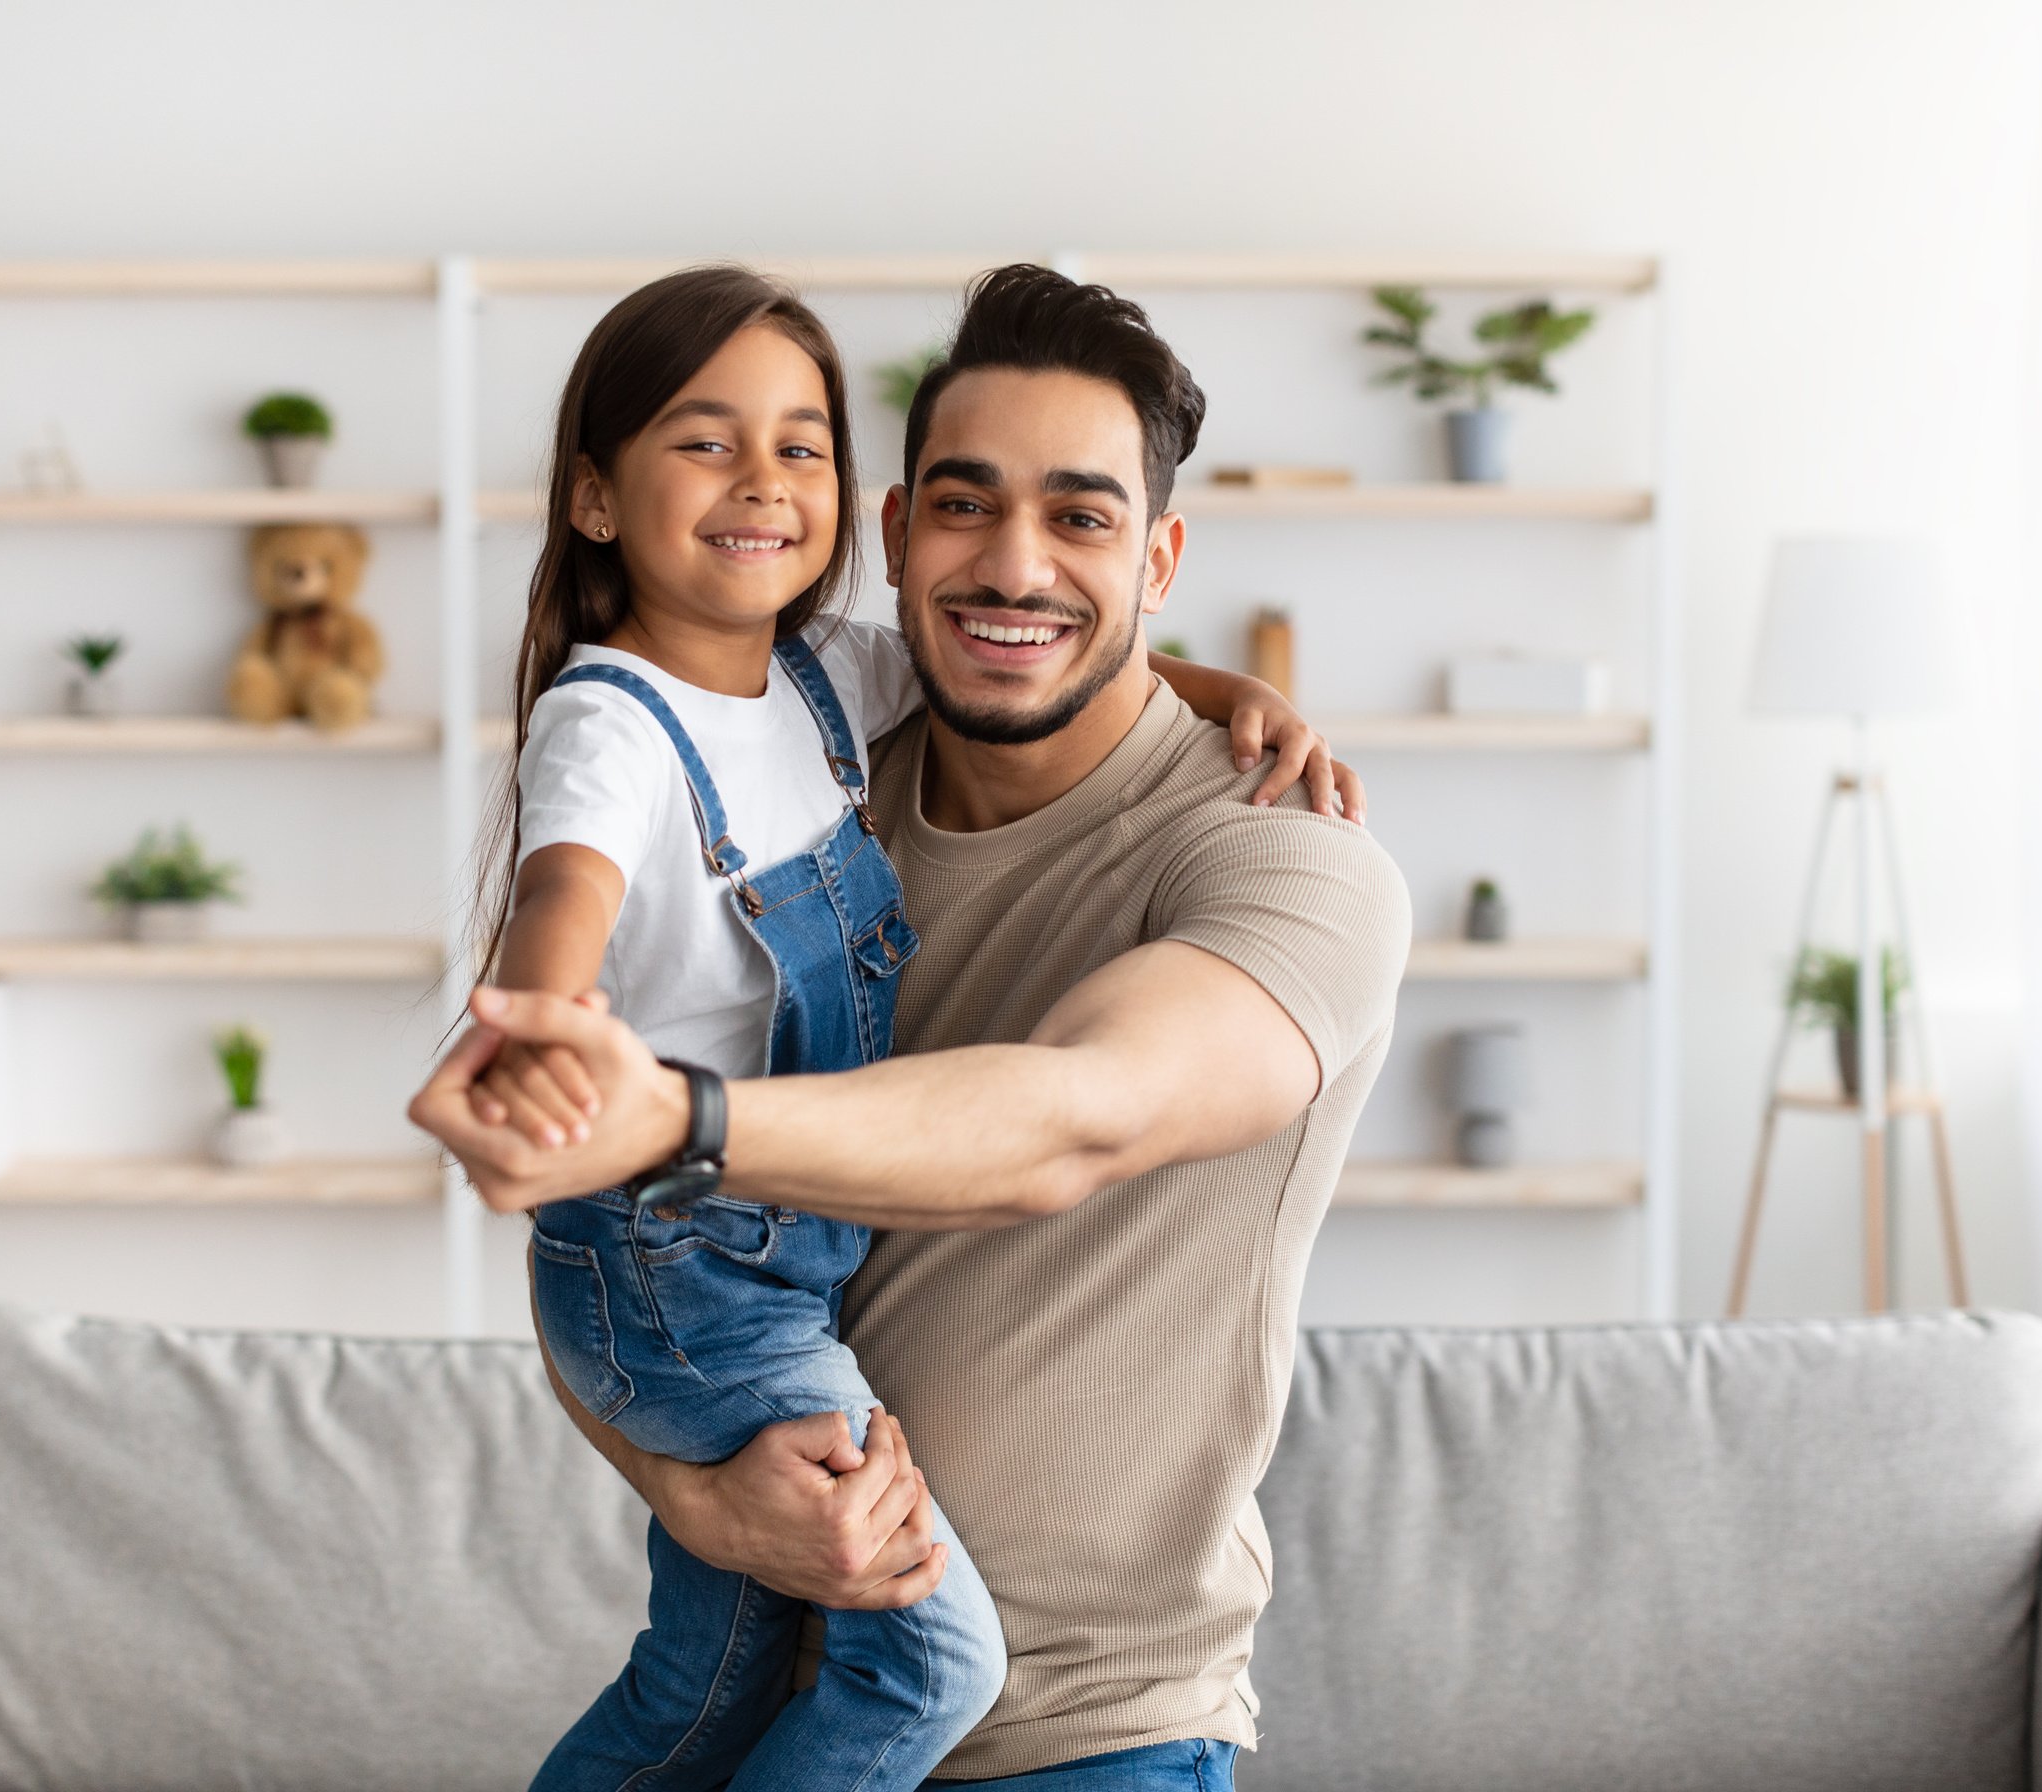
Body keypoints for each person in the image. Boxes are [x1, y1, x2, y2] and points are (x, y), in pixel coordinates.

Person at [416, 263, 1410, 1789]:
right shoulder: (793, 785)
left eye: (1080, 518)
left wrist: (688, 1122)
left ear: (1160, 558)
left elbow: (1079, 1113)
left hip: (1089, 1743)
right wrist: (692, 1494)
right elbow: (609, 1252)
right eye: (964, 504)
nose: (1014, 566)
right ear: (894, 536)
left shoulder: (1285, 853)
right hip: (771, 1704)